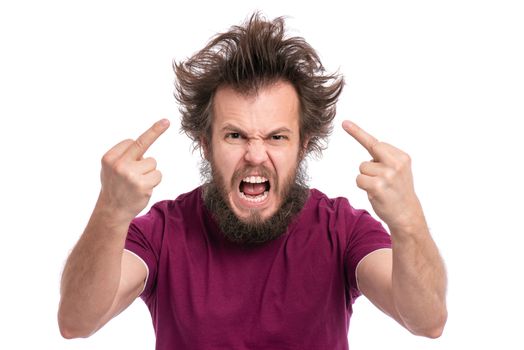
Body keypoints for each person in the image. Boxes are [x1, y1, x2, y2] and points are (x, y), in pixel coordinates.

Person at [58, 13, 447, 350]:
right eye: (235, 135)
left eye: (276, 137)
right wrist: (110, 211)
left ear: (303, 146)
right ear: (205, 145)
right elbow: (77, 321)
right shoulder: (161, 232)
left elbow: (426, 321)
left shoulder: (342, 229)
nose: (256, 155)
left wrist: (407, 220)